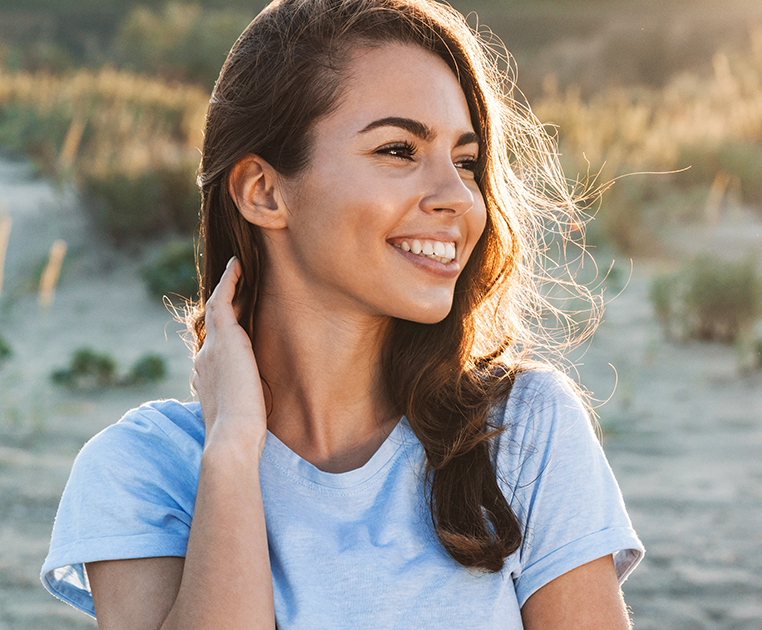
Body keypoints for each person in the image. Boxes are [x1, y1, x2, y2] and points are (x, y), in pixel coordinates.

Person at [41, 0, 644, 627]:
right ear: (263, 191)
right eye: (398, 150)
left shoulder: (521, 432)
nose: (459, 199)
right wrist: (231, 451)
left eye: (465, 161)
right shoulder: (145, 468)